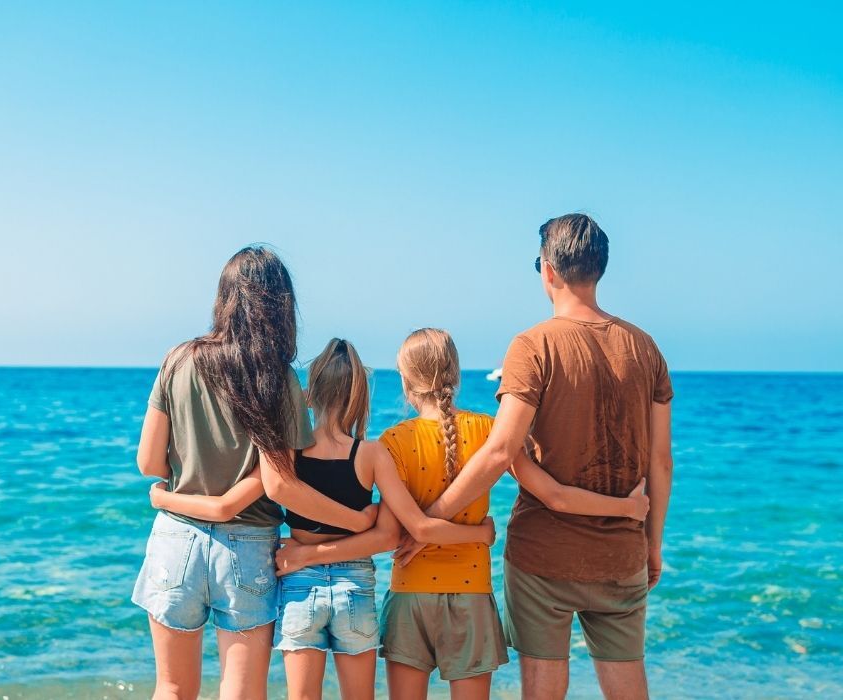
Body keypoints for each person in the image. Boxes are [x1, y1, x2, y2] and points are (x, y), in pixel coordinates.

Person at [280, 328, 648, 700]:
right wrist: (626, 508)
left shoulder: (392, 441)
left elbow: (393, 531)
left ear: (406, 381)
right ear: (455, 375)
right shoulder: (490, 431)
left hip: (411, 596)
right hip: (472, 595)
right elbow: (553, 495)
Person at [418, 214, 675, 700]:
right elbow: (660, 463)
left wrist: (430, 518)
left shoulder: (532, 346)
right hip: (622, 553)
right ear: (599, 268)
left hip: (543, 555)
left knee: (542, 688)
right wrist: (652, 543)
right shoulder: (646, 349)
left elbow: (499, 452)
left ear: (548, 270)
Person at [131, 246, 378, 700]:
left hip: (175, 540)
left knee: (170, 687)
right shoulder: (278, 377)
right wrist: (359, 521)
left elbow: (148, 463)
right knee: (241, 691)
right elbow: (280, 483)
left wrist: (185, 487)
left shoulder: (178, 359)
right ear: (281, 305)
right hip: (246, 547)